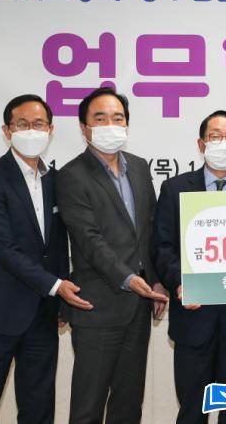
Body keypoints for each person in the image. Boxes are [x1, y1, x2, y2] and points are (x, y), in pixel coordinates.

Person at [0, 94, 91, 424]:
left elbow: (56, 247)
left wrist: (60, 301)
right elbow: (2, 248)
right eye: (22, 124)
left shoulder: (55, 181)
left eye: (39, 124)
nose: (31, 131)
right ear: (7, 131)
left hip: (42, 316)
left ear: (50, 129)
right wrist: (56, 286)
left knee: (38, 411)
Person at [56, 87, 168, 424]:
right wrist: (128, 278)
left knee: (129, 405)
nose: (110, 125)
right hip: (97, 306)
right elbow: (88, 240)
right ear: (84, 127)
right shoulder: (72, 175)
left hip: (139, 306)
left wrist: (156, 280)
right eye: (100, 118)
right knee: (88, 407)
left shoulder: (139, 167)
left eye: (118, 118)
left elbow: (150, 229)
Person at [152, 110, 226, 424]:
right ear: (201, 143)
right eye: (215, 136)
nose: (223, 143)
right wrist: (180, 283)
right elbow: (162, 247)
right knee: (192, 410)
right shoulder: (175, 188)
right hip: (193, 320)